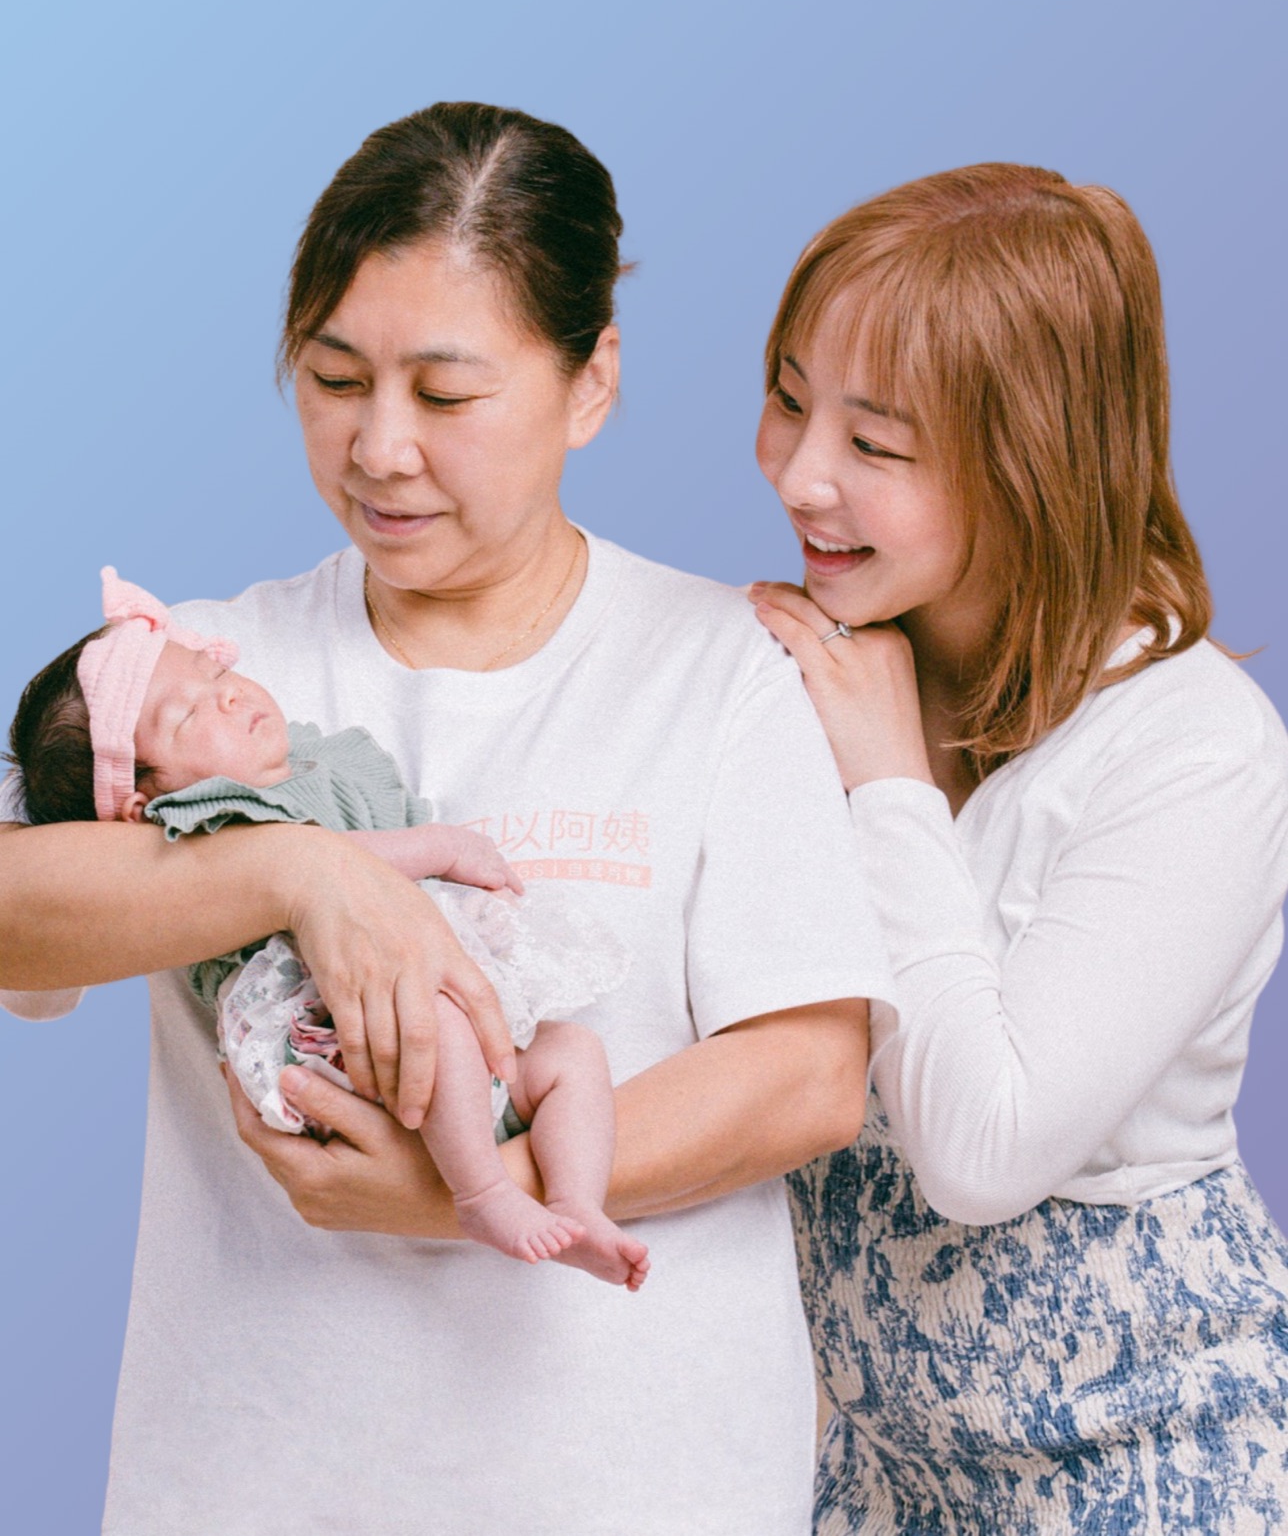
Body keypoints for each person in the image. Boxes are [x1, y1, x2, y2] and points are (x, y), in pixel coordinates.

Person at [0, 102, 891, 1536]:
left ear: (590, 382)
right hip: (246, 1489)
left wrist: (462, 1187)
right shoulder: (212, 686)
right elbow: (12, 922)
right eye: (335, 376)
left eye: (447, 393)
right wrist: (299, 870)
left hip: (636, 1493)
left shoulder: (719, 666)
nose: (381, 446)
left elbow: (807, 1075)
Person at [750, 162, 1288, 1532]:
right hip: (891, 1486)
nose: (801, 472)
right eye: (790, 397)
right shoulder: (825, 666)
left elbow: (984, 1144)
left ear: (1030, 461)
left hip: (1160, 1471)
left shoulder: (1195, 747)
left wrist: (886, 783)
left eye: (875, 444)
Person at [7, 568, 649, 1285]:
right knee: (434, 1013)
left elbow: (390, 895)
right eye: (187, 718)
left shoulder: (319, 764)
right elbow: (343, 867)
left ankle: (576, 1200)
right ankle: (482, 1191)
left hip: (433, 1028)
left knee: (572, 1054)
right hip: (326, 1025)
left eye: (212, 667)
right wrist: (438, 846)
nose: (225, 691)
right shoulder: (208, 820)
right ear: (143, 801)